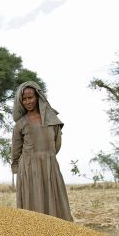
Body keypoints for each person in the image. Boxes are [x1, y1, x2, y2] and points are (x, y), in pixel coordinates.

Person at [11, 81, 72, 221]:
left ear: (38, 97)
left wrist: (46, 158)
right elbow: (15, 149)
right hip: (29, 169)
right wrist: (18, 167)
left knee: (53, 199)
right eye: (24, 99)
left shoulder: (52, 121)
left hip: (50, 166)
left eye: (30, 97)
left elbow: (57, 144)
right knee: (33, 200)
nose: (27, 102)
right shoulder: (20, 124)